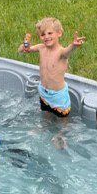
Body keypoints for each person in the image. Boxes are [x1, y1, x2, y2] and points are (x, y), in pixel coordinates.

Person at [18, 17, 85, 147]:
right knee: (46, 112)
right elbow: (25, 50)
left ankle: (61, 134)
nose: (46, 37)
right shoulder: (41, 48)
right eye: (43, 34)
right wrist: (23, 46)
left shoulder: (61, 52)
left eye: (50, 33)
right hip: (43, 91)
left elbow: (67, 52)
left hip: (58, 95)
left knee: (62, 119)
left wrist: (73, 45)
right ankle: (43, 127)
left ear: (59, 33)